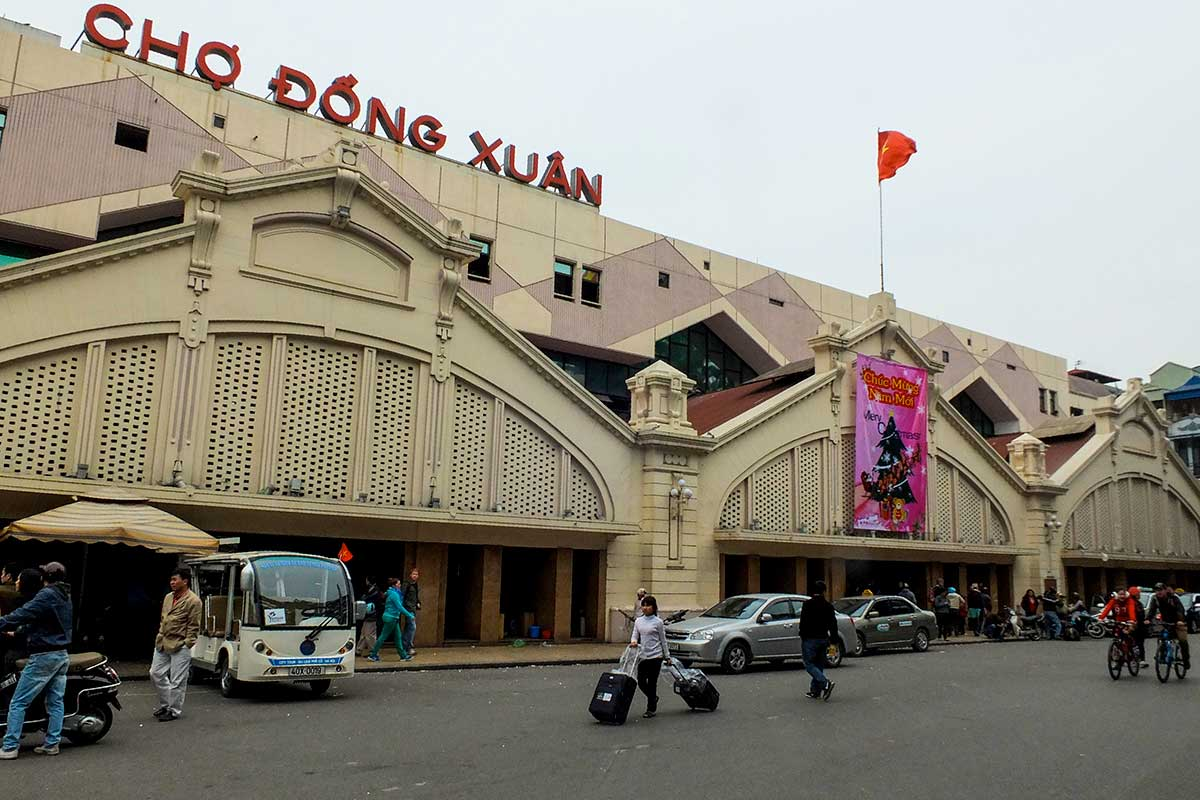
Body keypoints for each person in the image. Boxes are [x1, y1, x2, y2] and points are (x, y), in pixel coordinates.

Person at [0, 563, 71, 758]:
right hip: (61, 654)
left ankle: (9, 747)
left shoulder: (46, 594)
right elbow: (43, 622)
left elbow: (22, 614)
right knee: (55, 702)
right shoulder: (65, 594)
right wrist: (18, 632)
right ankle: (51, 744)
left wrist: (3, 623)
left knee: (18, 702)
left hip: (44, 656)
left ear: (46, 576)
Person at [150, 567, 201, 723]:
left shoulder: (193, 601)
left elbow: (194, 626)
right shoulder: (168, 597)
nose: (172, 582)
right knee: (155, 673)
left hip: (180, 644)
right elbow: (163, 619)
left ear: (184, 581)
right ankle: (166, 704)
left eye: (175, 580)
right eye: (171, 580)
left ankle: (174, 710)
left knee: (177, 680)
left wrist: (187, 644)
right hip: (163, 641)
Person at [628, 594, 670, 718]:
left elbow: (663, 640)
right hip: (643, 656)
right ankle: (653, 697)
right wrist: (634, 641)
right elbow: (635, 634)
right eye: (643, 605)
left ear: (653, 607)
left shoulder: (658, 622)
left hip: (655, 656)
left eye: (648, 605)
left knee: (652, 683)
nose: (645, 608)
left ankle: (651, 708)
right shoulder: (638, 621)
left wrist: (667, 656)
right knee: (641, 681)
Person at [798, 580, 838, 701]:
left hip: (810, 639)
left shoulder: (807, 605)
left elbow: (803, 622)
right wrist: (833, 641)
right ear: (824, 591)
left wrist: (802, 635)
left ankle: (825, 683)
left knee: (809, 664)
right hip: (823, 638)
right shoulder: (828, 606)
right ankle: (815, 691)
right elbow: (833, 624)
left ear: (812, 591)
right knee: (819, 665)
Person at [368, 577, 414, 662]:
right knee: (383, 637)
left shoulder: (391, 592)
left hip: (392, 617)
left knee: (398, 637)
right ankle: (373, 654)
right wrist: (409, 615)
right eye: (398, 584)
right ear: (394, 585)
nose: (400, 585)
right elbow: (399, 606)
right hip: (391, 617)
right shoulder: (394, 594)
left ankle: (403, 655)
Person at [1147, 582, 1189, 671]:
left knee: (1182, 640)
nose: (1159, 592)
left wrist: (1180, 620)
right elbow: (1152, 610)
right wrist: (1148, 619)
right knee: (1161, 637)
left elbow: (1180, 609)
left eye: (1161, 590)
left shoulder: (1173, 599)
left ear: (1165, 590)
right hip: (1165, 622)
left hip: (1177, 622)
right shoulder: (1155, 599)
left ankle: (1186, 660)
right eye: (1157, 590)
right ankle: (1162, 655)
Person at [356, 579, 384, 657]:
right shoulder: (372, 591)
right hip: (368, 615)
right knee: (364, 633)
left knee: (369, 635)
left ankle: (374, 652)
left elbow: (377, 605)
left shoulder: (374, 592)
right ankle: (359, 649)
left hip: (371, 616)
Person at [400, 568, 421, 657]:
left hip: (412, 608)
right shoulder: (407, 584)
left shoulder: (415, 585)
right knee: (412, 627)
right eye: (413, 574)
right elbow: (402, 595)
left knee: (408, 627)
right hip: (408, 609)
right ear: (410, 575)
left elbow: (415, 596)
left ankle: (404, 646)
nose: (415, 576)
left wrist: (418, 602)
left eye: (416, 574)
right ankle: (409, 647)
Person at [1129, 587, 1148, 667]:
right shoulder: (1136, 604)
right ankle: (1140, 659)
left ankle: (1134, 659)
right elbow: (1141, 615)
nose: (1139, 595)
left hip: (1134, 625)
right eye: (1138, 593)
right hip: (1137, 626)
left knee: (1134, 643)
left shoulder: (1134, 603)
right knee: (1139, 643)